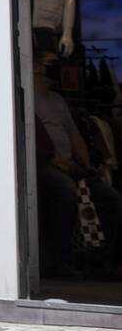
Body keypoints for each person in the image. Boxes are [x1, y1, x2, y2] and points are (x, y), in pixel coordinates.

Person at [33, 49, 122, 280]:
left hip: (69, 164)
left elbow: (75, 135)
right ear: (36, 67)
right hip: (45, 163)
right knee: (65, 192)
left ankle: (100, 259)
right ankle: (60, 261)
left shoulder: (58, 100)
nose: (55, 68)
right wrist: (56, 161)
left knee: (110, 197)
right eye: (50, 63)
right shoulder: (28, 98)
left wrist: (87, 164)